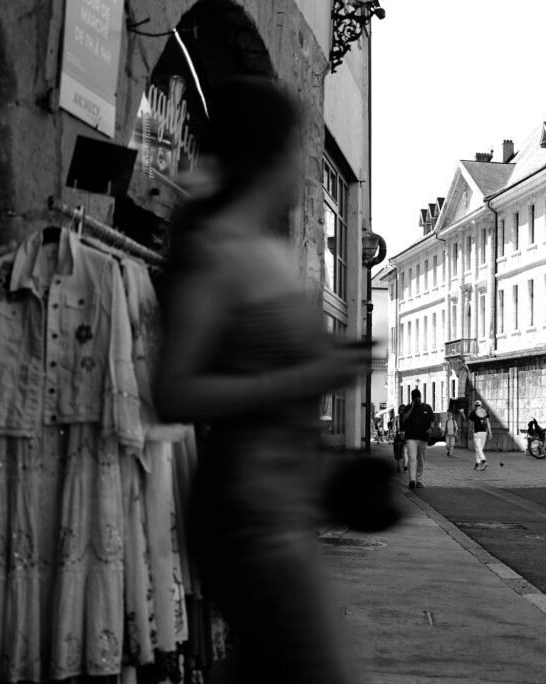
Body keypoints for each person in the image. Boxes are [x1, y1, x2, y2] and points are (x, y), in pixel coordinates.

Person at [154, 78, 369, 683]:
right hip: (246, 508)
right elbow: (174, 389)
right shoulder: (215, 249)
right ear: (265, 156)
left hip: (278, 500)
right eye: (294, 149)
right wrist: (304, 375)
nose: (302, 167)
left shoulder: (258, 248)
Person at [400, 390, 433, 489]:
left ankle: (419, 480)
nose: (417, 399)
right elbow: (404, 419)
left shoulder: (427, 407)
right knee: (412, 458)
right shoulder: (408, 408)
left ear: (421, 397)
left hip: (423, 437)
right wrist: (412, 407)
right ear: (412, 398)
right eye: (415, 398)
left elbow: (432, 420)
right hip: (411, 438)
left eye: (418, 397)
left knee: (421, 460)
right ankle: (412, 480)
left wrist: (430, 428)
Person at [468, 400, 490, 470]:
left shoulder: (473, 413)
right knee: (480, 449)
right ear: (481, 405)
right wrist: (490, 432)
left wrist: (470, 432)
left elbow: (471, 423)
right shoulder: (485, 411)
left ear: (475, 406)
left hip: (477, 432)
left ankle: (484, 461)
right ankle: (477, 465)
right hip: (484, 432)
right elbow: (488, 423)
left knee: (478, 448)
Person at [393, 405, 407, 471]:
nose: (402, 411)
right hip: (403, 436)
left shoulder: (397, 418)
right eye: (402, 409)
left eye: (403, 409)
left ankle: (401, 466)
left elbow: (393, 427)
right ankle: (404, 466)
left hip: (400, 436)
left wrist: (393, 435)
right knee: (403, 451)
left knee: (399, 451)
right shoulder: (407, 418)